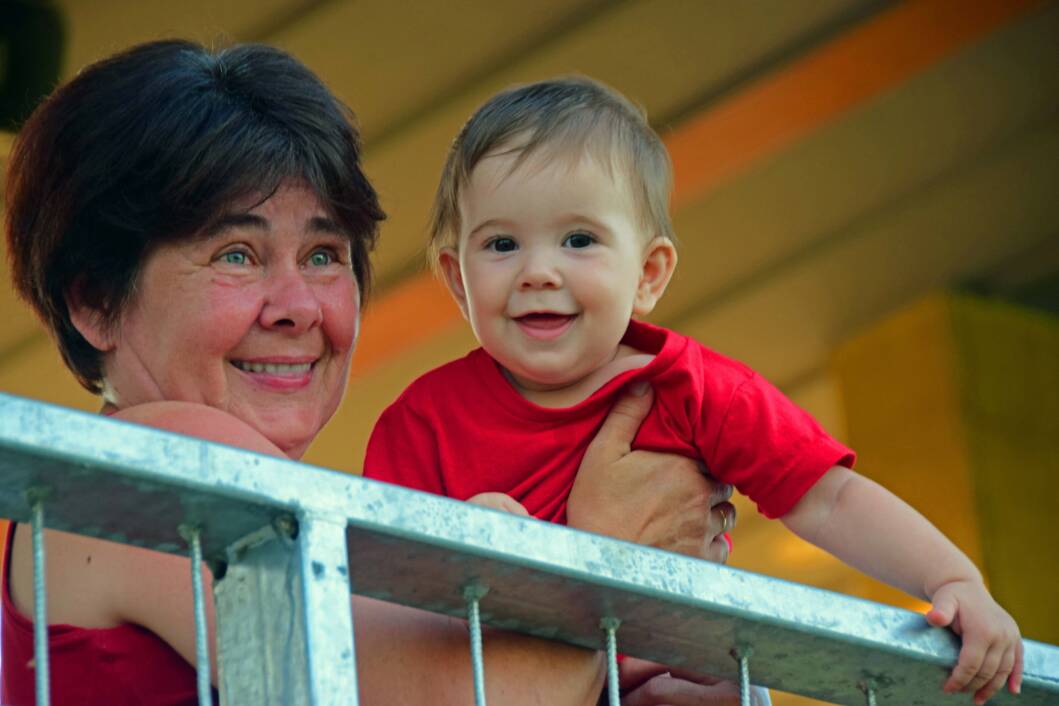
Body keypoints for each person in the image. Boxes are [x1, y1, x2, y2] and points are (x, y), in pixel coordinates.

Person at [1, 41, 742, 705]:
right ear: (96, 301)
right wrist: (613, 553)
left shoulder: (250, 509)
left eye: (324, 256)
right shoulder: (155, 467)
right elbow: (474, 697)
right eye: (235, 254)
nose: (297, 307)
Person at [363, 76, 1024, 705]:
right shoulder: (421, 421)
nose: (538, 271)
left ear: (648, 274)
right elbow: (389, 606)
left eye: (578, 239)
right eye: (501, 243)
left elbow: (829, 500)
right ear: (457, 280)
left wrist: (952, 579)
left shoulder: (695, 391)